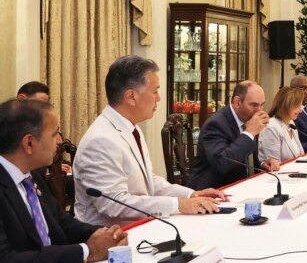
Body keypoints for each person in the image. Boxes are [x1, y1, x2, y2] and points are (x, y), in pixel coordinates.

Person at [75, 56, 225, 225]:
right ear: (131, 96)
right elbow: (114, 204)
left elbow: (149, 182)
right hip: (113, 238)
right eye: (154, 92)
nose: (158, 98)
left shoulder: (131, 127)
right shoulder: (101, 140)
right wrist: (178, 204)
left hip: (140, 226)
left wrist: (191, 195)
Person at [0, 99, 126, 263]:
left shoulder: (31, 176)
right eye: (54, 134)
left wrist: (102, 234)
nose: (59, 141)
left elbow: (61, 222)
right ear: (29, 143)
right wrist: (85, 251)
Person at [188, 81, 281, 190]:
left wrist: (261, 164)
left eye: (262, 105)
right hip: (212, 191)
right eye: (254, 105)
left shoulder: (246, 119)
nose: (259, 111)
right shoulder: (216, 124)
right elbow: (221, 163)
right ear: (237, 102)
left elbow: (241, 157)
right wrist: (249, 133)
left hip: (240, 186)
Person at [258, 87, 306, 164]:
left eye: (301, 105)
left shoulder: (290, 123)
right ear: (286, 106)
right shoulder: (271, 127)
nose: (300, 110)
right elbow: (274, 165)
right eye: (297, 106)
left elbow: (300, 156)